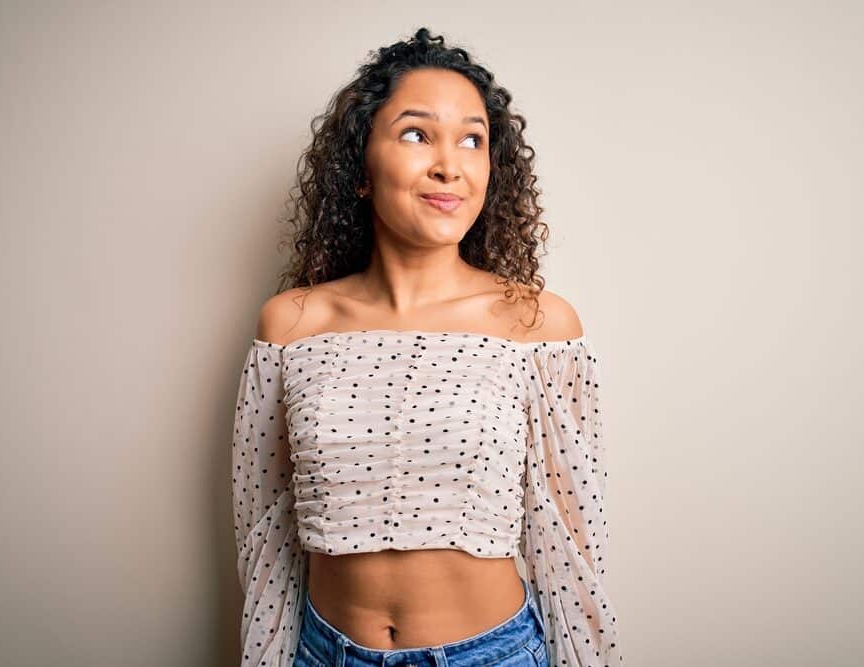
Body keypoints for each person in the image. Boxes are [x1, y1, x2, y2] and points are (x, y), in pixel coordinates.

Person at [231, 27, 623, 666]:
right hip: (323, 654)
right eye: (417, 134)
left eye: (473, 139)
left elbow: (571, 545)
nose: (450, 164)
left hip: (492, 656)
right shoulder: (291, 327)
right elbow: (264, 541)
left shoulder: (537, 326)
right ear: (360, 168)